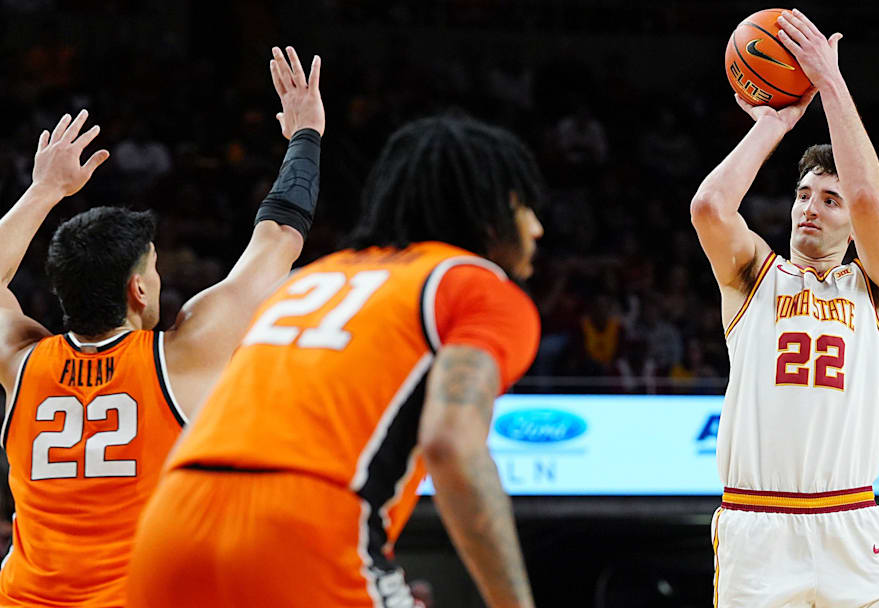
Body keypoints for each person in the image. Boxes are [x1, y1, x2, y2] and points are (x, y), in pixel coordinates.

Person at [126, 114, 545, 608]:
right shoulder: (478, 285)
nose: (536, 228)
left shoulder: (309, 279)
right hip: (303, 536)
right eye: (524, 208)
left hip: (167, 531)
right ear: (490, 212)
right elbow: (451, 443)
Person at [0, 45, 324, 606]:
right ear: (139, 289)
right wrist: (306, 135)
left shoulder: (21, 360)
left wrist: (44, 190)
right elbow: (279, 237)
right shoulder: (182, 354)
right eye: (154, 264)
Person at [691, 9, 879, 607]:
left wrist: (830, 82)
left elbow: (869, 195)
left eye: (829, 199)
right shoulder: (753, 277)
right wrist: (775, 122)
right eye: (803, 194)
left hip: (850, 521)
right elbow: (710, 207)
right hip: (758, 526)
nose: (811, 207)